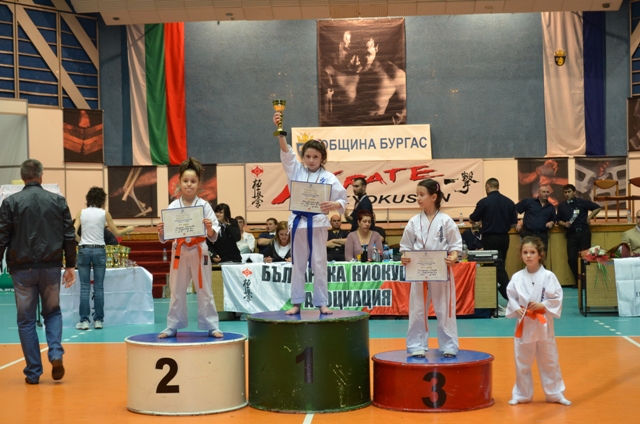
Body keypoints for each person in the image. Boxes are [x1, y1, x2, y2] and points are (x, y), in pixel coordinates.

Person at [0, 159, 76, 384]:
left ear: (23, 177)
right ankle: (56, 353)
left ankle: (33, 372)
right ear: (41, 176)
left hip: (22, 269)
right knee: (52, 312)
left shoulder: (10, 202)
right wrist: (70, 265)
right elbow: (69, 235)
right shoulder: (58, 201)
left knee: (26, 320)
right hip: (51, 267)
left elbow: (2, 237)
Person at [274, 111, 348, 315]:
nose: (311, 160)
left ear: (322, 158)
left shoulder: (329, 177)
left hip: (317, 224)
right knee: (298, 264)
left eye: (316, 156)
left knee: (319, 264)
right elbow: (287, 153)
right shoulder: (296, 170)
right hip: (298, 223)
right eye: (307, 156)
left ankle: (322, 302)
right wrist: (280, 132)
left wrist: (333, 204)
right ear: (303, 157)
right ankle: (296, 302)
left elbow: (343, 200)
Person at [156, 157, 223, 339]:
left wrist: (209, 228)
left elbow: (214, 232)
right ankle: (172, 326)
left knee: (205, 289)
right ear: (179, 182)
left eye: (193, 181)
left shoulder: (204, 206)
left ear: (199, 184)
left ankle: (211, 325)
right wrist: (162, 231)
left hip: (199, 250)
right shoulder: (173, 206)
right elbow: (165, 236)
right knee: (176, 289)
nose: (189, 184)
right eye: (185, 181)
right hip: (180, 251)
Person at [506, 236, 571, 406]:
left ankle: (555, 393)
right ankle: (522, 394)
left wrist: (543, 305)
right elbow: (511, 295)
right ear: (521, 255)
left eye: (532, 252)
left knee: (549, 360)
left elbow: (556, 297)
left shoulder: (548, 276)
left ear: (540, 254)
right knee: (522, 361)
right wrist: (516, 308)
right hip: (524, 323)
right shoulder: (517, 277)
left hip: (543, 324)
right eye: (525, 252)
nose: (528, 256)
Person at [400, 179, 462, 357]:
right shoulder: (413, 222)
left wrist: (454, 257)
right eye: (417, 195)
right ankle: (416, 345)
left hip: (441, 270)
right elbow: (405, 247)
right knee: (417, 308)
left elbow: (455, 245)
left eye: (422, 195)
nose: (418, 198)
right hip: (418, 271)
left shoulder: (446, 220)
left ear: (433, 197)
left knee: (444, 308)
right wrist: (404, 257)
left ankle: (449, 345)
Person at [73, 187, 134, 330]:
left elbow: (72, 231)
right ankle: (98, 320)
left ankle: (84, 321)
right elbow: (117, 232)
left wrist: (81, 241)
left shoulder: (81, 212)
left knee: (84, 287)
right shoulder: (104, 213)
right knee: (99, 287)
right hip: (99, 250)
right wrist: (128, 229)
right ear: (102, 200)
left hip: (84, 250)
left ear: (88, 199)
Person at [319, 27, 407, 126]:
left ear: (376, 48)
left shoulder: (393, 74)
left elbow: (408, 112)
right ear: (340, 46)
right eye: (349, 51)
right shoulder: (328, 74)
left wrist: (390, 122)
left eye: (364, 54)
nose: (355, 61)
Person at [469, 178, 518, 301]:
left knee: (494, 268)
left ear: (487, 186)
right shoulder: (509, 202)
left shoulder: (484, 202)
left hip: (490, 238)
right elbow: (513, 224)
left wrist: (481, 223)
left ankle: (510, 296)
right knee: (500, 265)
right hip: (505, 238)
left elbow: (472, 219)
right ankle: (499, 297)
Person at [556, 184, 601, 287]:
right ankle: (579, 281)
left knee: (585, 258)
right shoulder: (562, 206)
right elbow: (558, 220)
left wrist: (589, 217)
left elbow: (597, 208)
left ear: (574, 192)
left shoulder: (582, 202)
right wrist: (564, 224)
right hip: (571, 234)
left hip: (584, 233)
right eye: (565, 192)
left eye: (569, 192)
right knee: (571, 259)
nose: (567, 194)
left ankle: (585, 282)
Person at [515, 185, 557, 251]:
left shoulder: (550, 207)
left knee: (542, 255)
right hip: (528, 234)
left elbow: (554, 219)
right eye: (543, 192)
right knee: (528, 254)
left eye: (547, 192)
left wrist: (551, 222)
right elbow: (515, 209)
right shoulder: (529, 201)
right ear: (538, 192)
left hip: (542, 235)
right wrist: (516, 222)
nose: (546, 194)